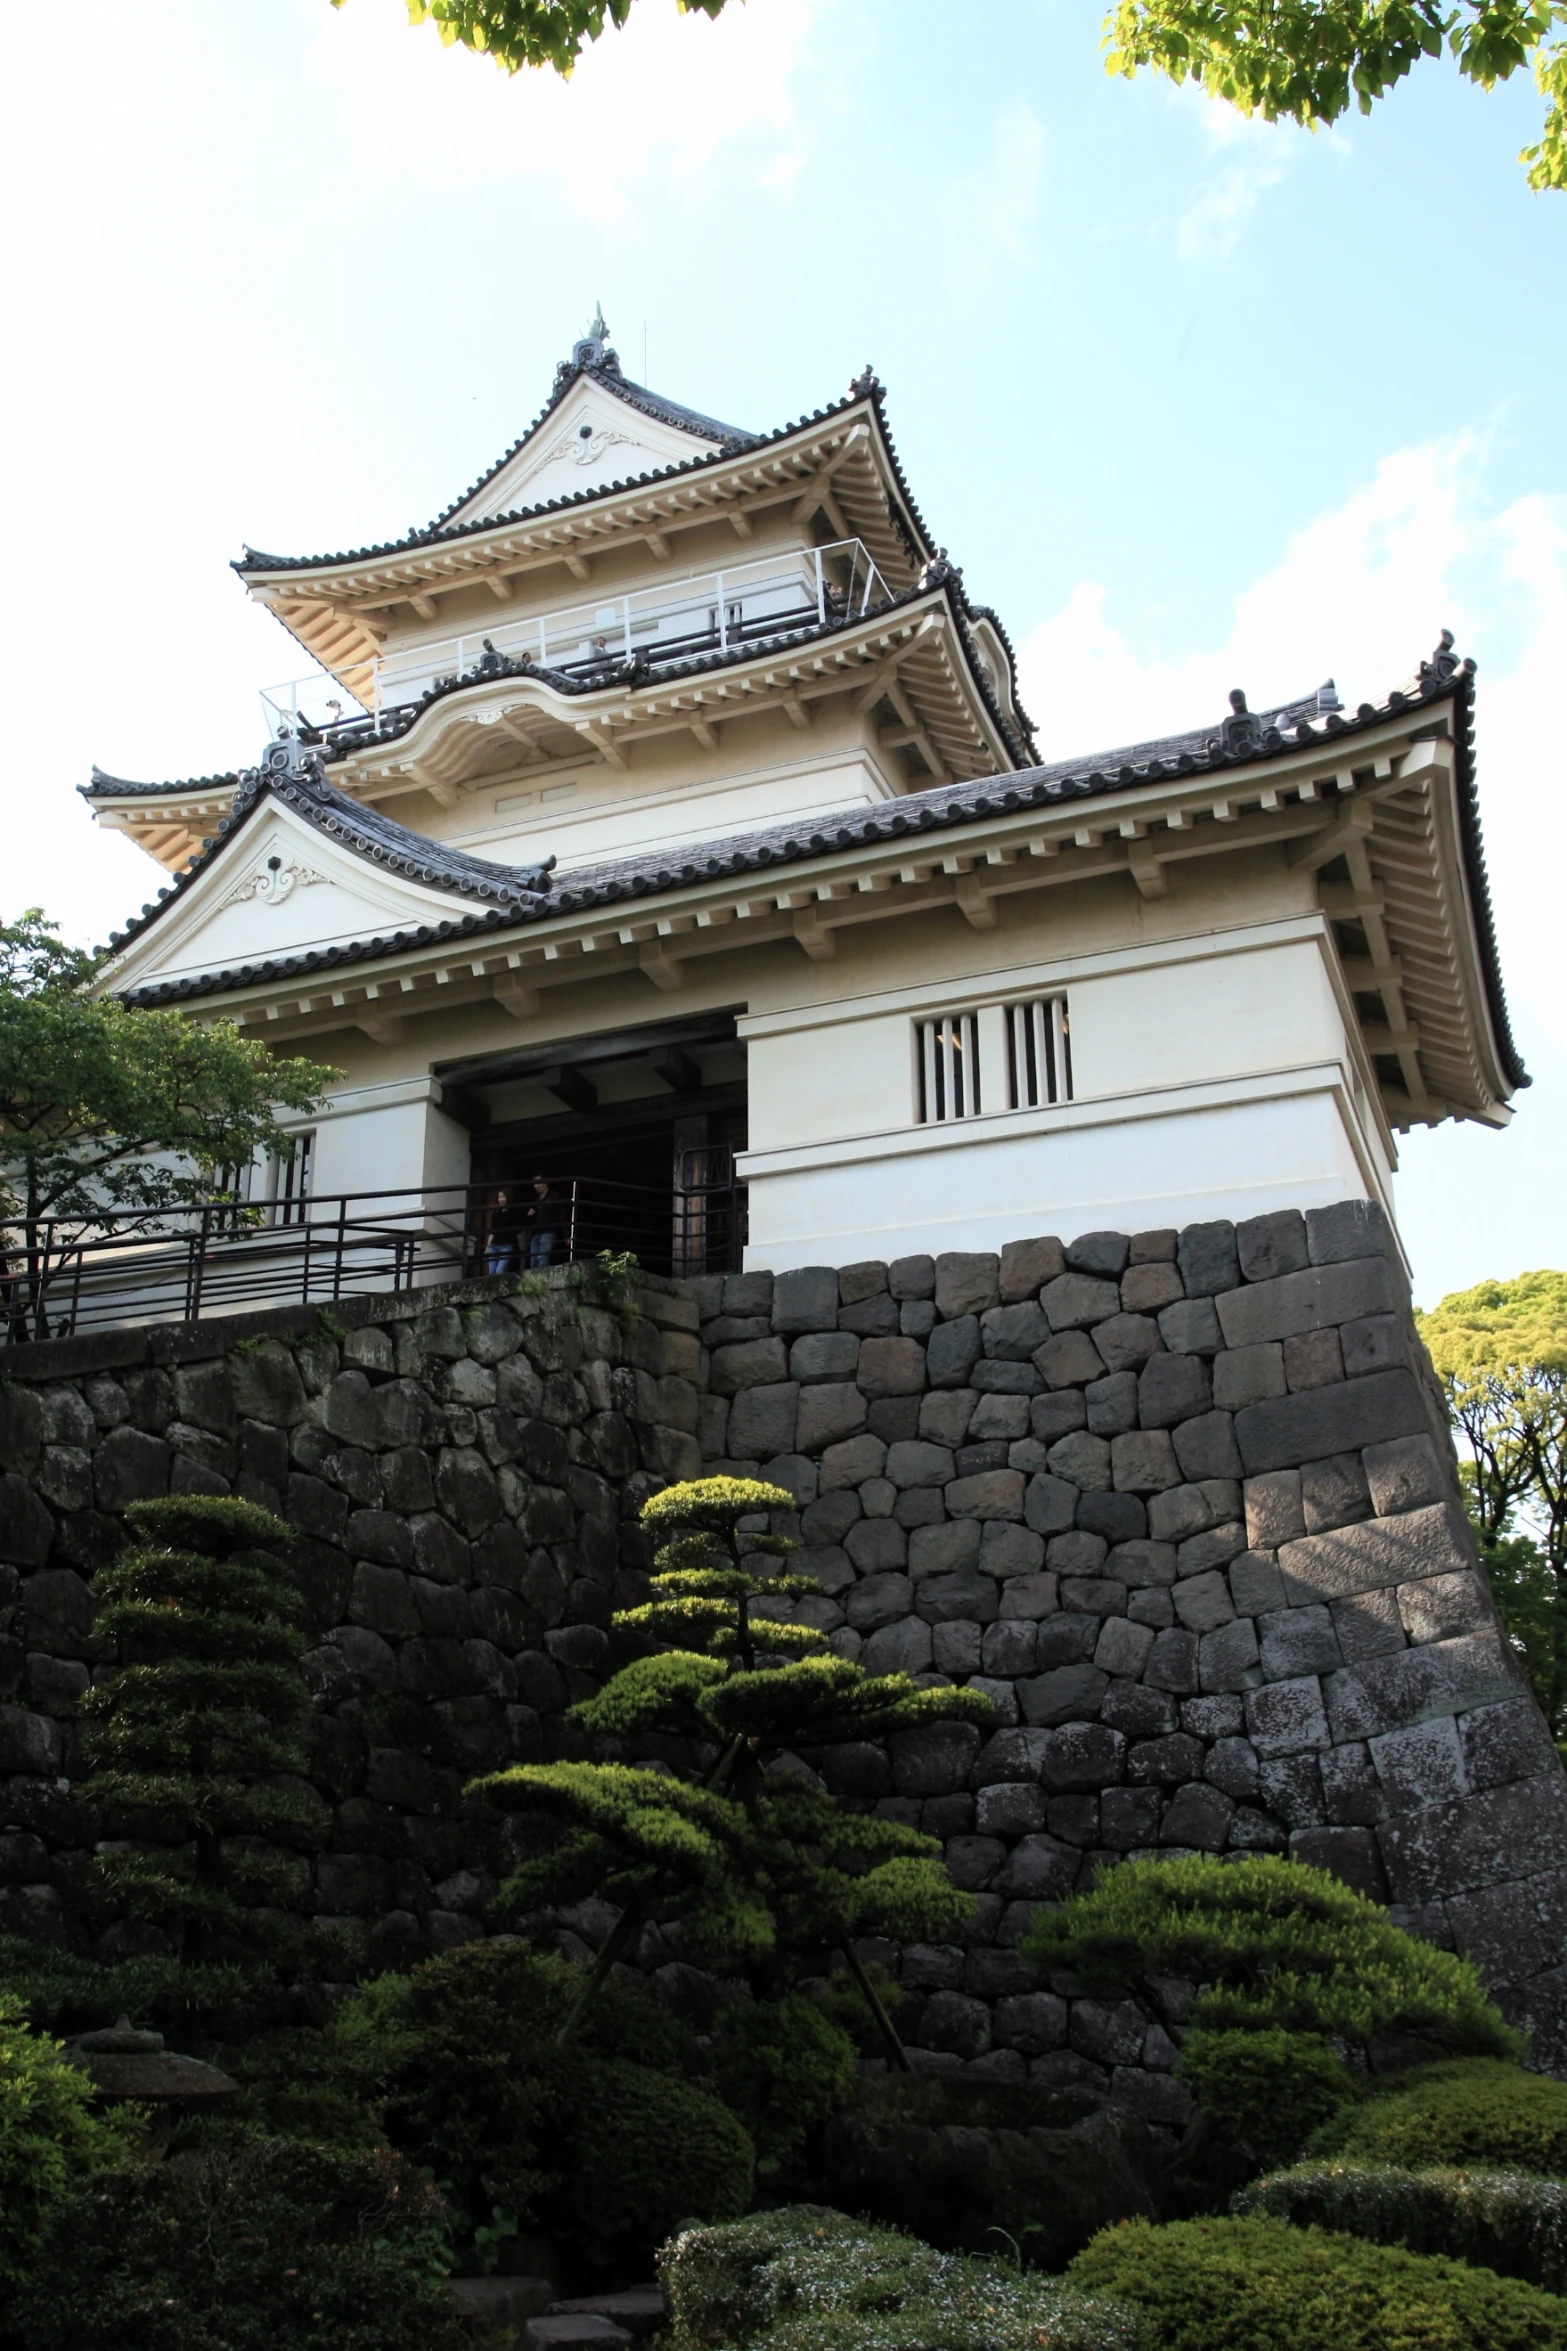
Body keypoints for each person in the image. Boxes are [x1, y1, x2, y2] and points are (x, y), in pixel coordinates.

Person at [524, 1174, 568, 1269]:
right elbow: (530, 1217)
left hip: (549, 1231)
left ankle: (542, 1282)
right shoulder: (537, 1200)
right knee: (533, 1261)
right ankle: (534, 1282)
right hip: (536, 1233)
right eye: (534, 1184)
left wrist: (567, 1235)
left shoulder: (554, 1196)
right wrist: (529, 1214)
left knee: (542, 1257)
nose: (536, 1186)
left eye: (538, 1183)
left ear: (545, 1182)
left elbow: (562, 1215)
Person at [484, 1186, 522, 1277]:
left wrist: (520, 1246)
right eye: (499, 1197)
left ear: (508, 1198)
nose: (500, 1199)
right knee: (492, 1272)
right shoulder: (495, 1214)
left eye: (503, 1197)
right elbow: (492, 1232)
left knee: (499, 1270)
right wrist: (487, 1247)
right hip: (494, 1246)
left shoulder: (514, 1213)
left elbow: (518, 1232)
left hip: (506, 1246)